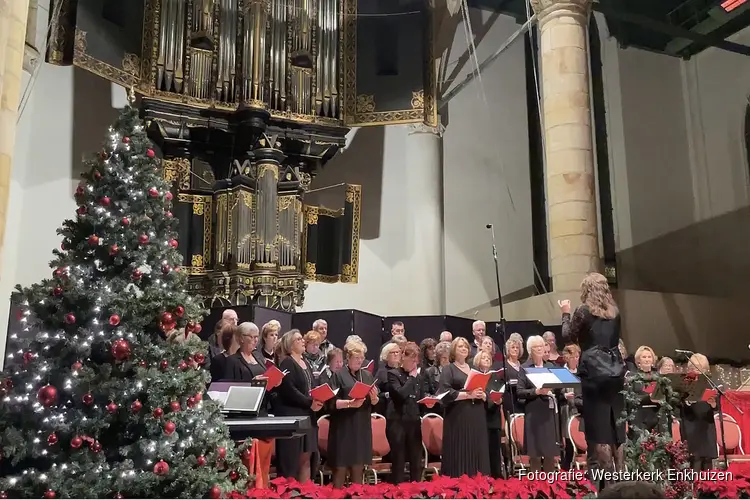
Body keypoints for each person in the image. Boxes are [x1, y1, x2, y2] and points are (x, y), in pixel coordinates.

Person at [559, 272, 626, 490]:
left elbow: (568, 336)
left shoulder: (583, 311)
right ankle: (623, 483)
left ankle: (610, 488)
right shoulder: (615, 312)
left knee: (600, 434)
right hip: (615, 374)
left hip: (594, 375)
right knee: (617, 431)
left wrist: (565, 314)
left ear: (587, 290)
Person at [327, 339, 379, 488]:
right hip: (343, 427)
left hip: (361, 426)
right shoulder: (338, 375)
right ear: (348, 358)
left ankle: (357, 495)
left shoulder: (367, 376)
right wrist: (350, 403)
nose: (360, 361)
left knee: (358, 467)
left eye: (362, 358)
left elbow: (375, 404)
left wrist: (375, 398)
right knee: (341, 469)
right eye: (357, 358)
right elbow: (331, 403)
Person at [274, 330, 323, 482]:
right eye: (298, 339)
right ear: (290, 345)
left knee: (306, 458)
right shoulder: (287, 362)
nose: (303, 341)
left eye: (302, 338)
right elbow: (289, 390)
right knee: (292, 462)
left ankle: (305, 492)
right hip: (293, 417)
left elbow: (312, 387)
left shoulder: (306, 362)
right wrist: (310, 403)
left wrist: (319, 399)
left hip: (308, 416)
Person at [438, 337, 491, 477]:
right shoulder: (448, 369)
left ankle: (479, 481)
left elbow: (483, 389)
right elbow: (444, 392)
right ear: (454, 350)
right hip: (458, 416)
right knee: (461, 448)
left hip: (476, 414)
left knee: (476, 447)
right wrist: (468, 395)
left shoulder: (474, 369)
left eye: (466, 347)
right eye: (460, 346)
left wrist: (482, 395)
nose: (464, 349)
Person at [517, 335, 560, 473]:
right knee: (534, 453)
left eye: (542, 346)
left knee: (549, 451)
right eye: (536, 347)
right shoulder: (524, 368)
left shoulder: (550, 366)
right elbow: (520, 391)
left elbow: (559, 386)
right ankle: (535, 485)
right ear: (530, 350)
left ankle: (550, 485)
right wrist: (536, 391)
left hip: (548, 412)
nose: (540, 349)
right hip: (533, 412)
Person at [386, 342, 425, 483]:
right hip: (397, 421)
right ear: (404, 357)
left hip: (413, 421)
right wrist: (412, 379)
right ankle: (398, 490)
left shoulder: (418, 377)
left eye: (417, 361)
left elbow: (419, 397)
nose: (415, 364)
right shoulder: (393, 374)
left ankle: (416, 488)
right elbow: (400, 395)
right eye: (412, 360)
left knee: (416, 458)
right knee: (399, 459)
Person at [679, 353, 717, 471]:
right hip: (691, 425)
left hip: (707, 425)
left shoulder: (710, 383)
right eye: (694, 367)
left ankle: (709, 487)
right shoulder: (684, 383)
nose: (697, 370)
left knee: (707, 462)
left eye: (701, 368)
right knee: (695, 461)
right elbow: (678, 402)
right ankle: (693, 488)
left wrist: (714, 404)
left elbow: (717, 406)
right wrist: (688, 401)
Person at [474, 350, 504, 478]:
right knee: (483, 453)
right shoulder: (476, 376)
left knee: (495, 452)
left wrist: (500, 399)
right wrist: (489, 400)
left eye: (488, 358)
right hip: (481, 417)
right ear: (477, 361)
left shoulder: (495, 377)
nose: (487, 359)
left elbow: (500, 391)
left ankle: (497, 479)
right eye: (483, 358)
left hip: (494, 419)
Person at [632, 345, 659, 434]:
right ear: (638, 360)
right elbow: (631, 398)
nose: (647, 359)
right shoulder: (633, 377)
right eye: (644, 357)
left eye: (649, 357)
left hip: (657, 415)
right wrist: (648, 397)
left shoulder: (659, 377)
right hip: (640, 416)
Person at [374, 342, 401, 415]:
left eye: (397, 352)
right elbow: (376, 391)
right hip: (387, 409)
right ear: (386, 355)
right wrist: (386, 394)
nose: (396, 354)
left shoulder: (402, 370)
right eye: (392, 352)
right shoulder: (382, 372)